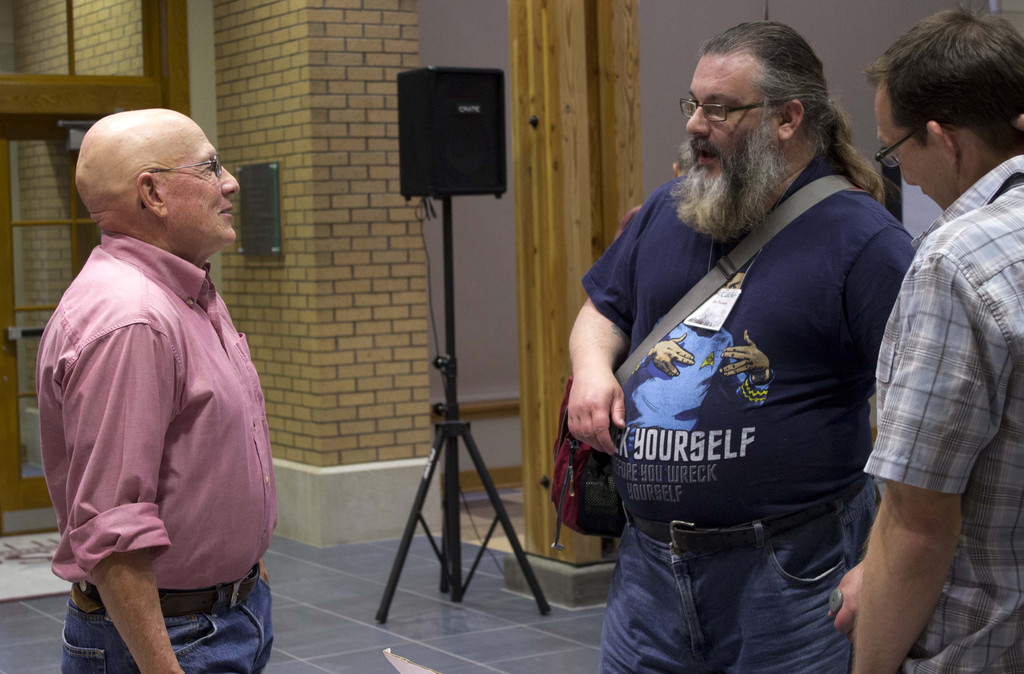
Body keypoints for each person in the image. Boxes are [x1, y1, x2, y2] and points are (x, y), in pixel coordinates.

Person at [567, 21, 914, 672]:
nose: (696, 123)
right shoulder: (667, 213)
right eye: (694, 103)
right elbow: (600, 309)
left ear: (788, 118)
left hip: (791, 579)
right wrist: (592, 371)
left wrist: (884, 564)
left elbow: (921, 419)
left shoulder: (862, 241)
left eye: (720, 108)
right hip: (648, 576)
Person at [36, 109, 277, 673]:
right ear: (154, 193)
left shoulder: (185, 290)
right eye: (211, 167)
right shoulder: (132, 319)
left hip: (223, 615)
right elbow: (113, 529)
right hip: (174, 639)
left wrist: (248, 572)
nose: (231, 182)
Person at [829, 10, 1024, 673]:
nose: (902, 176)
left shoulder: (957, 260)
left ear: (943, 138)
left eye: (895, 150)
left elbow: (918, 523)